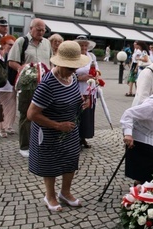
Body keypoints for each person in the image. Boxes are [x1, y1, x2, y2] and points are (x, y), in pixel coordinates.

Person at [27, 41, 90, 212]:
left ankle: (65, 193)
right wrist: (57, 125)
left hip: (69, 128)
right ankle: (50, 196)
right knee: (51, 164)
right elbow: (31, 114)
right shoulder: (47, 85)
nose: (74, 70)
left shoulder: (72, 77)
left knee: (70, 160)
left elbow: (73, 98)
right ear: (59, 63)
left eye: (75, 67)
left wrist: (82, 102)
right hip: (50, 130)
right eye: (70, 67)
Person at [8, 18, 52, 158]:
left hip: (44, 85)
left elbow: (50, 62)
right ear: (31, 28)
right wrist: (23, 69)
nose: (41, 32)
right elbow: (11, 62)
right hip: (27, 85)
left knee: (43, 115)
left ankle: (40, 143)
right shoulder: (21, 41)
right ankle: (24, 146)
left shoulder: (47, 43)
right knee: (26, 115)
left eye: (43, 30)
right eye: (38, 29)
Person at [74, 35, 99, 149]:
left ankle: (84, 136)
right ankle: (76, 138)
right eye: (81, 45)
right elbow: (70, 72)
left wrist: (96, 76)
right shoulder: (74, 56)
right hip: (78, 88)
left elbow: (96, 69)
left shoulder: (91, 56)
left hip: (90, 89)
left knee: (88, 114)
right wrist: (80, 78)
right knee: (78, 113)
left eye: (85, 45)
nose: (84, 47)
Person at [0, 35, 17, 138]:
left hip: (10, 86)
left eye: (13, 45)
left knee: (11, 109)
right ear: (3, 45)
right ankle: (1, 128)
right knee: (0, 109)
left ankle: (8, 126)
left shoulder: (14, 57)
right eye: (10, 45)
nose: (12, 47)